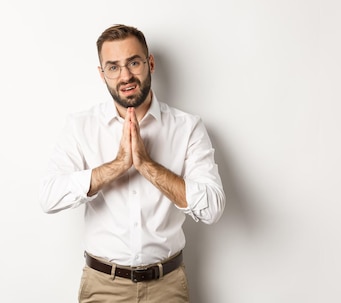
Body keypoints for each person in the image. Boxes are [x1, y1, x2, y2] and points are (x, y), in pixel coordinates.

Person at [39, 24, 225, 302]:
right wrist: (117, 165)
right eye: (113, 67)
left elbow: (212, 209)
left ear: (150, 63)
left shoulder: (188, 128)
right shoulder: (80, 127)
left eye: (134, 62)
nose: (125, 76)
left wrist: (148, 165)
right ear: (102, 75)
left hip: (168, 287)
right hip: (103, 286)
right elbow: (49, 197)